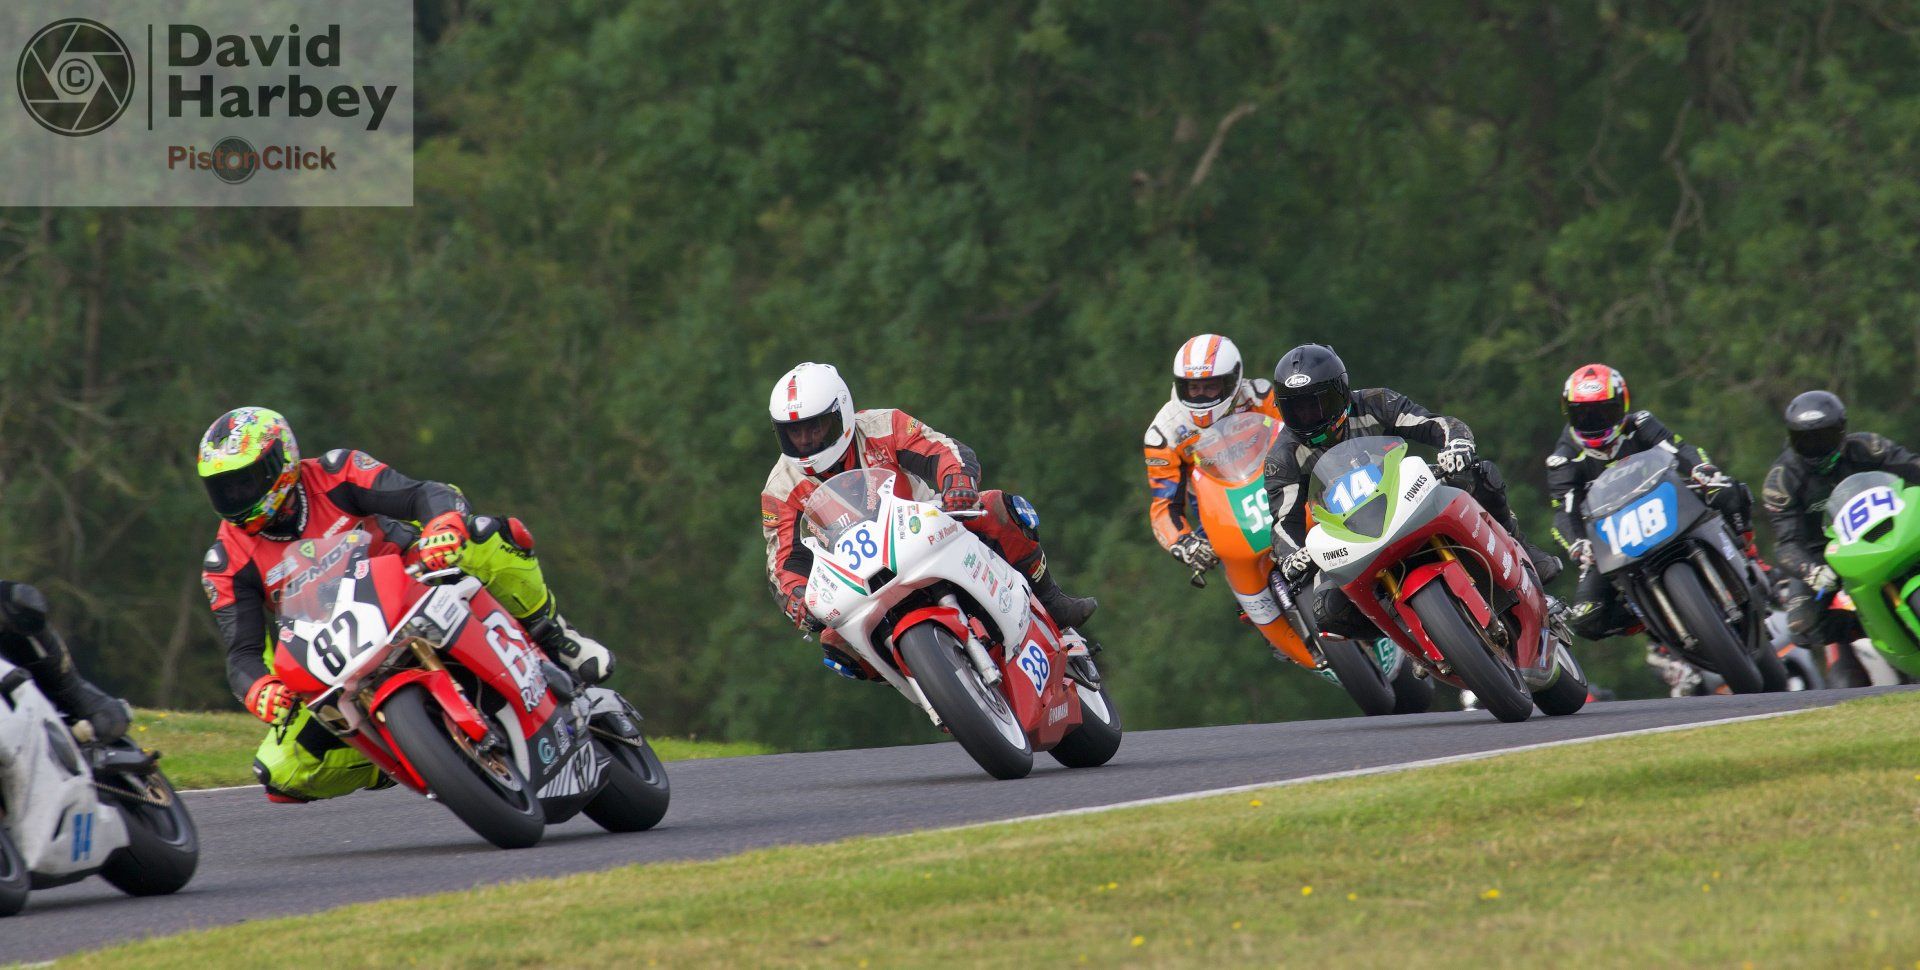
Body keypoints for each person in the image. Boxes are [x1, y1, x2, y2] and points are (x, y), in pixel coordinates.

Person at [196, 406, 611, 803]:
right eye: (223, 488)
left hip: (410, 579)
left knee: (484, 534)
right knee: (280, 772)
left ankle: (554, 635)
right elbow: (242, 654)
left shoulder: (336, 472)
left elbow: (425, 494)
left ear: (282, 462)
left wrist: (443, 523)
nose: (235, 496)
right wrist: (259, 688)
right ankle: (399, 755)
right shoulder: (225, 562)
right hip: (333, 653)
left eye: (245, 481)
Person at [761, 362, 1097, 678]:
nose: (805, 440)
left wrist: (958, 481)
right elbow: (783, 561)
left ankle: (1051, 600)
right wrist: (796, 596)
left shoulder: (882, 425)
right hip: (855, 575)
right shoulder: (780, 488)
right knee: (836, 644)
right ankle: (926, 683)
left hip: (923, 527)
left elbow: (941, 449)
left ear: (841, 413)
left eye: (815, 426)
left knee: (996, 508)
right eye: (794, 432)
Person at [1263, 343, 1561, 640]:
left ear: (1341, 393)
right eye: (1296, 409)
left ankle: (1523, 551)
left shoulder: (1375, 402)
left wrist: (1456, 444)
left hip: (1408, 498)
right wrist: (1291, 556)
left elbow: (1435, 424)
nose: (1308, 417)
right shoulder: (1282, 457)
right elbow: (1283, 522)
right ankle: (1408, 637)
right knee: (1326, 610)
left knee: (1479, 474)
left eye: (1318, 404)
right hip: (1348, 535)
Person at [1546, 363, 1754, 644]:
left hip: (1665, 503)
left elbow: (1678, 448)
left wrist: (1701, 469)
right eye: (1582, 415)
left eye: (1603, 412)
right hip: (1613, 538)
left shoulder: (1641, 423)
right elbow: (1564, 512)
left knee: (1728, 490)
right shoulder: (1562, 460)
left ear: (1623, 405)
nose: (1594, 422)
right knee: (1586, 618)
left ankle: (1750, 554)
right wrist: (1578, 544)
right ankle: (1650, 614)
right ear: (1568, 414)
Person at [1762, 390, 1920, 665]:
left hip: (1888, 524)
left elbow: (1913, 466)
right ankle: (1870, 622)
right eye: (1805, 440)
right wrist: (1810, 571)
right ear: (1791, 438)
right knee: (1802, 625)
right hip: (1825, 555)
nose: (1816, 447)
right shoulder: (1781, 481)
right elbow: (1786, 544)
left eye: (1824, 437)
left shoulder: (1868, 446)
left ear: (1841, 430)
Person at [1143, 334, 1281, 577]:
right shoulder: (1164, 432)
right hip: (1223, 516)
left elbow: (1297, 439)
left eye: (1210, 386)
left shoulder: (1260, 396)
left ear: (1231, 380)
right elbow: (1165, 505)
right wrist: (1184, 542)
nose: (1201, 395)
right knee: (1246, 584)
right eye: (1193, 387)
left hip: (1279, 488)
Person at [0, 581, 130, 741]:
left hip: (31, 715)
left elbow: (69, 688)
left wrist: (105, 717)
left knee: (111, 719)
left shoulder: (33, 632)